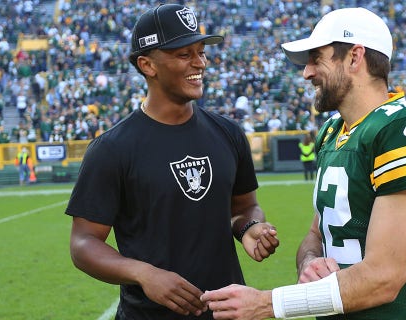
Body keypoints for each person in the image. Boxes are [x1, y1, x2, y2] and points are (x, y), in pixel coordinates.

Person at [201, 7, 406, 319]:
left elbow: (384, 278)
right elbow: (317, 234)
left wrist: (266, 304)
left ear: (354, 57)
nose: (307, 73)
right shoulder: (332, 132)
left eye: (316, 59)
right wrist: (310, 262)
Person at [64, 4, 279, 319]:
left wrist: (250, 227)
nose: (200, 63)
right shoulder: (112, 149)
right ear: (147, 65)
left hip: (228, 312)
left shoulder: (228, 133)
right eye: (184, 54)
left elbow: (244, 206)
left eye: (201, 52)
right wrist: (144, 274)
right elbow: (83, 243)